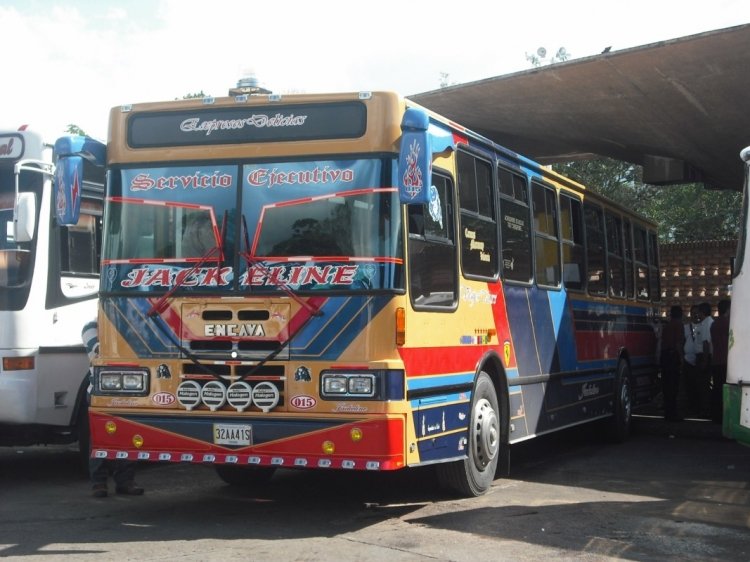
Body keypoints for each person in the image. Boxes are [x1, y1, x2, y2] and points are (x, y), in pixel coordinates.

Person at [82, 319, 144, 498]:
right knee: (101, 439)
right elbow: (102, 352)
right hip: (101, 392)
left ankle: (125, 481)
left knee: (128, 437)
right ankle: (99, 482)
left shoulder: (129, 325)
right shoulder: (90, 327)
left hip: (128, 389)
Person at [660, 305, 685, 421]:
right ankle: (673, 414)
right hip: (673, 356)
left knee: (666, 386)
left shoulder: (667, 326)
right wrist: (681, 359)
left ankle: (667, 413)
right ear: (681, 315)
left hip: (664, 356)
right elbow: (678, 344)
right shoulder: (679, 325)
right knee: (674, 386)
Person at [710, 298, 731, 423]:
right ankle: (724, 415)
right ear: (728, 309)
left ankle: (716, 415)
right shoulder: (728, 323)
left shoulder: (714, 324)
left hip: (716, 360)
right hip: (726, 361)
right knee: (726, 390)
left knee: (717, 389)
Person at [693, 301, 714, 418]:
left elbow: (706, 343)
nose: (697, 315)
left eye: (699, 312)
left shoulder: (707, 323)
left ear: (703, 312)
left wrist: (705, 361)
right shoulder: (704, 323)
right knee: (701, 384)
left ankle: (705, 410)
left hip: (703, 357)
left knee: (703, 385)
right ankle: (703, 408)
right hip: (702, 356)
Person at [682, 305, 700, 417]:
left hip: (699, 360)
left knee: (698, 386)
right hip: (687, 360)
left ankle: (698, 408)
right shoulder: (686, 327)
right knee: (689, 386)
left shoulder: (703, 325)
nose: (695, 315)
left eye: (697, 312)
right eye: (693, 312)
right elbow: (681, 342)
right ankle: (690, 407)